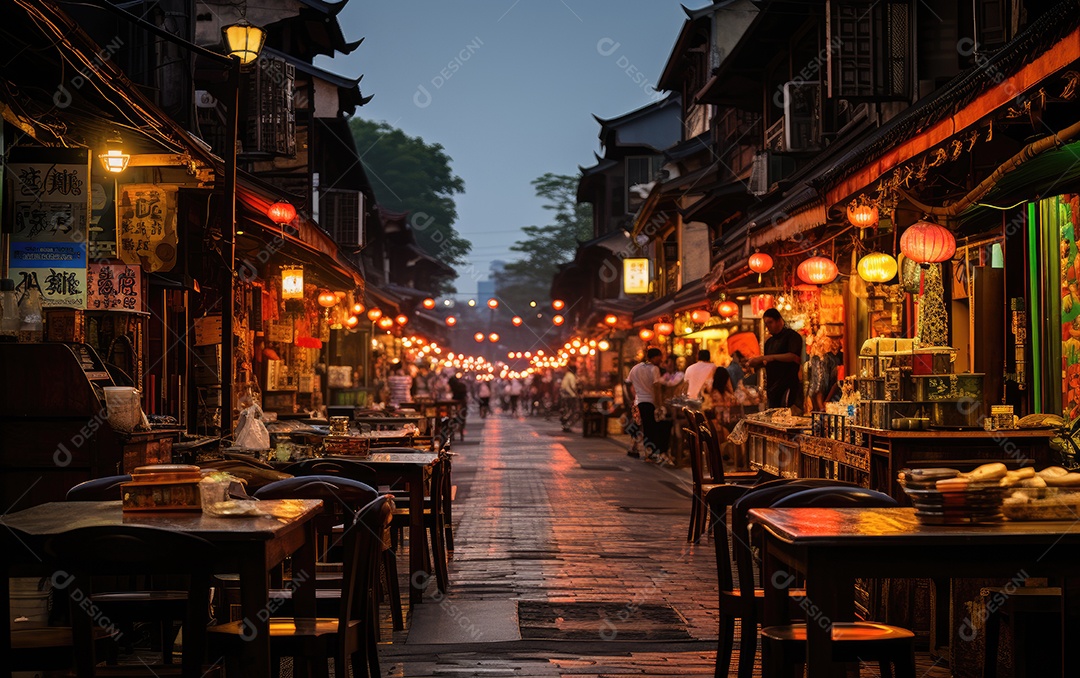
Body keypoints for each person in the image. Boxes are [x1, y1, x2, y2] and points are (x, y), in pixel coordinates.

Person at [748, 308, 804, 413]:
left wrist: (770, 357)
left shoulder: (792, 336)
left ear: (779, 320)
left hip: (788, 386)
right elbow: (768, 362)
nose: (768, 326)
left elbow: (794, 357)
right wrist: (757, 363)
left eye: (770, 322)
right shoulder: (769, 342)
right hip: (773, 389)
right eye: (766, 324)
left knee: (788, 417)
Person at [625, 348, 670, 463]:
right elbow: (656, 387)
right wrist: (659, 404)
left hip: (638, 402)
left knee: (639, 425)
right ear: (654, 357)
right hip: (650, 402)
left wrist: (631, 399)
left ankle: (634, 449)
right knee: (651, 428)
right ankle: (649, 453)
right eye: (659, 357)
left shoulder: (635, 368)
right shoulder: (654, 369)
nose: (661, 360)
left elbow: (627, 383)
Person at [559, 365, 580, 431]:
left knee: (567, 409)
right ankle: (567, 423)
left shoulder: (566, 375)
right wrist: (576, 392)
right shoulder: (571, 376)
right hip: (571, 396)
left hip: (564, 396)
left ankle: (565, 422)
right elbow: (573, 386)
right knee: (574, 410)